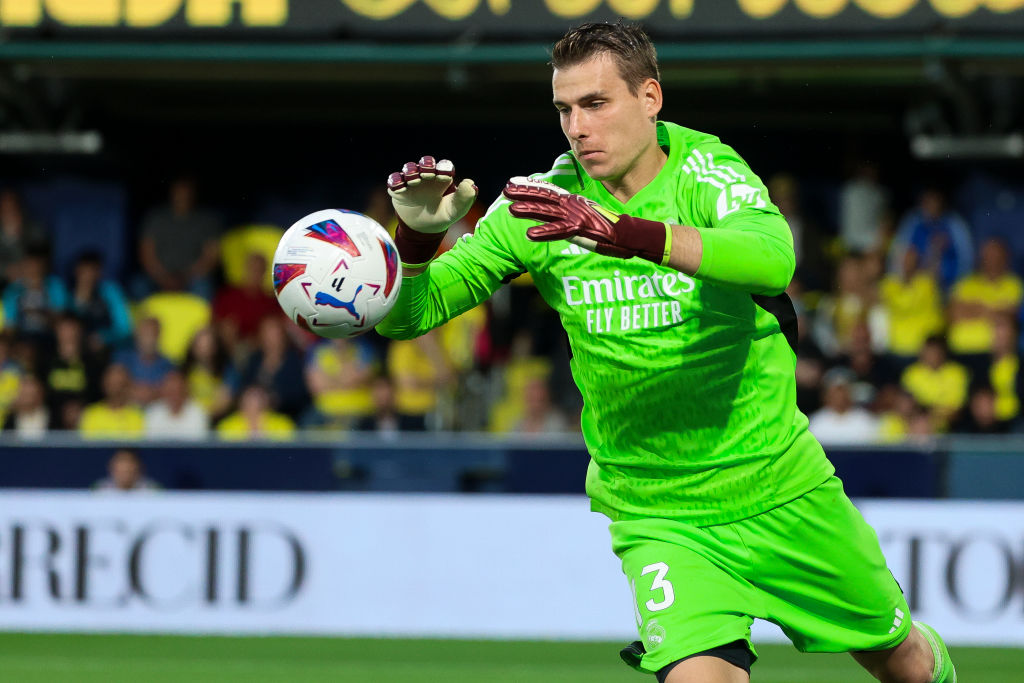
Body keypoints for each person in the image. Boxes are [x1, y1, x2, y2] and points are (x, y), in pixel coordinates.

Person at [377, 22, 953, 683]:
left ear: (649, 97)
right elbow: (407, 318)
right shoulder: (539, 208)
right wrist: (415, 241)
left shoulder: (706, 170)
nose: (577, 127)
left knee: (906, 665)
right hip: (657, 510)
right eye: (564, 109)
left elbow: (773, 259)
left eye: (596, 104)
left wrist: (628, 234)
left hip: (779, 487)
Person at [137, 176, 222, 299]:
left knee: (203, 287)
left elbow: (210, 258)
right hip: (159, 276)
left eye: (187, 193)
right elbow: (146, 254)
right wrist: (163, 278)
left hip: (191, 278)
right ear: (171, 193)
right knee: (139, 285)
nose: (183, 197)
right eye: (179, 193)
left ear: (194, 195)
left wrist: (186, 277)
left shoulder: (207, 221)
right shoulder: (156, 218)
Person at [93, 449, 160, 492]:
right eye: (121, 461)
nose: (126, 467)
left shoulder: (153, 490)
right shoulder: (99, 490)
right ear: (111, 466)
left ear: (139, 466)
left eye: (130, 462)